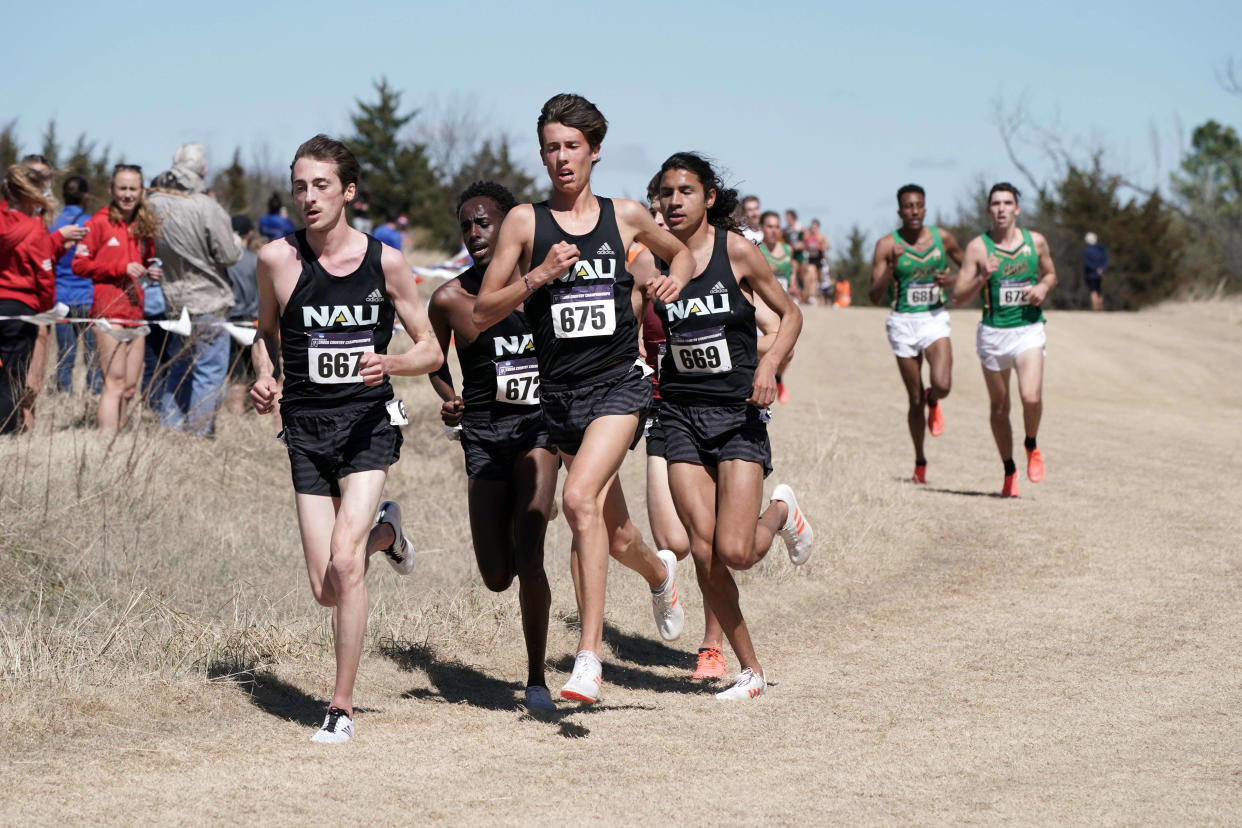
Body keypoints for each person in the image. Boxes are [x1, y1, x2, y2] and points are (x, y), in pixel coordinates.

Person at [473, 93, 693, 704]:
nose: (562, 157)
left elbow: (684, 251)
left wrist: (675, 277)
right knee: (615, 532)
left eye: (572, 146)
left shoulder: (624, 216)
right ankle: (660, 573)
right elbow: (481, 312)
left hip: (620, 385)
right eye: (551, 147)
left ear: (595, 151)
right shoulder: (524, 222)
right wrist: (539, 275)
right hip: (559, 396)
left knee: (576, 500)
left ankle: (588, 659)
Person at [250, 134, 442, 742]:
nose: (309, 197)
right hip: (304, 430)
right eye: (300, 186)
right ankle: (388, 532)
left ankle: (340, 705)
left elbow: (432, 347)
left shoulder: (384, 263)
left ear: (348, 192)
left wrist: (392, 365)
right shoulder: (275, 261)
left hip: (367, 425)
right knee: (324, 589)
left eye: (321, 185)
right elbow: (263, 334)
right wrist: (263, 377)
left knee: (343, 561)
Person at [643, 151, 811, 700]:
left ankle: (782, 511)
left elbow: (791, 315)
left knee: (738, 551)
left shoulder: (736, 251)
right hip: (680, 416)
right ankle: (750, 670)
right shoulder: (649, 260)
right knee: (705, 550)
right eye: (667, 192)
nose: (674, 201)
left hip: (736, 415)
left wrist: (767, 364)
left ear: (709, 198)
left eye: (686, 190)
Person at [427, 181, 559, 712]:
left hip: (538, 430)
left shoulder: (543, 287)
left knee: (530, 554)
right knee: (497, 577)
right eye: (467, 225)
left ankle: (536, 679)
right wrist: (450, 397)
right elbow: (434, 361)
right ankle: (518, 525)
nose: (476, 232)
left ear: (510, 227)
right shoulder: (449, 300)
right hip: (482, 435)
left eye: (485, 222)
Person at [634, 191, 729, 680]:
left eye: (666, 208)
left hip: (716, 409)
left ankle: (712, 646)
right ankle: (662, 580)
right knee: (672, 539)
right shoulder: (641, 271)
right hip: (661, 407)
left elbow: (770, 321)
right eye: (652, 210)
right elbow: (628, 333)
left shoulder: (717, 265)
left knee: (709, 538)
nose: (661, 217)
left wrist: (763, 369)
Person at [954, 182, 1057, 497]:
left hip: (1027, 329)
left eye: (1007, 203)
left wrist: (1042, 288)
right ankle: (1009, 470)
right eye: (996, 203)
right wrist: (982, 276)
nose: (1001, 208)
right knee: (1000, 408)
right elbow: (958, 296)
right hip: (993, 335)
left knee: (1030, 398)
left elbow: (1051, 274)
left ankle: (1031, 443)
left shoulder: (1035, 242)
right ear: (989, 210)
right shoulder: (978, 248)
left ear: (1017, 209)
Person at [145, 143, 244, 436]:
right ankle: (197, 435)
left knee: (179, 368)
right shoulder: (205, 207)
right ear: (203, 171)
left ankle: (170, 429)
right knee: (209, 371)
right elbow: (229, 255)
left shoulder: (153, 204)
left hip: (173, 300)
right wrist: (237, 243)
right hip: (207, 298)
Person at [869, 184, 964, 483]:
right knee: (913, 400)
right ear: (899, 212)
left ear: (925, 208)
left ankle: (934, 398)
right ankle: (920, 463)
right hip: (902, 322)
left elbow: (970, 271)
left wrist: (950, 280)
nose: (914, 211)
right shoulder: (887, 245)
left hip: (934, 319)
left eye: (919, 206)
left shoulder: (943, 239)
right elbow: (874, 295)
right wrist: (891, 267)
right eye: (908, 206)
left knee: (943, 384)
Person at [73, 164, 160, 433]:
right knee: (114, 382)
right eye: (122, 188)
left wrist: (153, 270)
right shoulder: (97, 222)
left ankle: (119, 440)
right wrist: (119, 269)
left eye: (133, 189)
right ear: (111, 190)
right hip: (108, 311)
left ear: (142, 191)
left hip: (136, 311)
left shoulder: (144, 225)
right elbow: (79, 264)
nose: (127, 194)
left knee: (130, 386)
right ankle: (105, 444)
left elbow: (147, 260)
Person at [0, 164, 86, 432]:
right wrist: (45, 309)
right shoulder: (34, 228)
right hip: (21, 309)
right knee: (13, 378)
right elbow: (45, 275)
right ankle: (7, 433)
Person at [49, 175, 100, 394]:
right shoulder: (92, 222)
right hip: (88, 296)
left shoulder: (53, 222)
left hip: (61, 296)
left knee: (65, 354)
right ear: (85, 195)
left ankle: (64, 395)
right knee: (93, 354)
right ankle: (94, 394)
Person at [758, 210, 795, 403]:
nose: (773, 231)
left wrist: (794, 284)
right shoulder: (756, 251)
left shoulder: (787, 250)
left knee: (788, 352)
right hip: (762, 309)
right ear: (762, 228)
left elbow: (791, 272)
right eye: (770, 226)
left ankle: (778, 377)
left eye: (777, 226)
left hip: (783, 307)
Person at [225, 214, 258, 415]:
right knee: (264, 377)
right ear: (250, 234)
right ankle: (271, 426)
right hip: (256, 322)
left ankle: (236, 424)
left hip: (230, 323)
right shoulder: (257, 259)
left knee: (236, 380)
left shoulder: (226, 261)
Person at [783, 209, 811, 304]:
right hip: (792, 255)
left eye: (788, 217)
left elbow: (808, 239)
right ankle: (796, 295)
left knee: (803, 275)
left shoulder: (800, 227)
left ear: (793, 217)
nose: (787, 219)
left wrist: (802, 244)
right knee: (793, 272)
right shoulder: (786, 229)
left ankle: (806, 295)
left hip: (801, 254)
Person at [1082, 232, 1106, 311]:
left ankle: (1096, 308)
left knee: (1093, 290)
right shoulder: (1101, 249)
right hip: (1100, 273)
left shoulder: (1086, 250)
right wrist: (1101, 269)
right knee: (1099, 289)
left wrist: (1095, 269)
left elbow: (1087, 263)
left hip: (1091, 274)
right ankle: (1100, 307)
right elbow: (1105, 260)